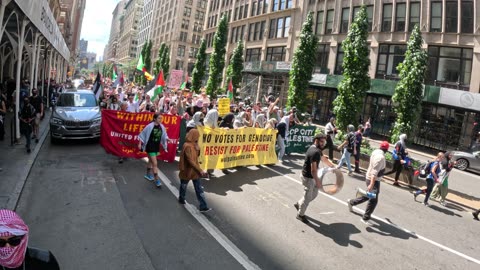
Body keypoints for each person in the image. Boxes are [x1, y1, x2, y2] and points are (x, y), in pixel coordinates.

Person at [293, 133, 335, 224]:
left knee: (314, 193)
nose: (323, 144)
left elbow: (323, 159)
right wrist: (318, 181)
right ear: (316, 140)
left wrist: (332, 166)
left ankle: (299, 203)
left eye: (324, 142)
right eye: (322, 141)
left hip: (311, 177)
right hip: (309, 178)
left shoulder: (317, 150)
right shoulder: (315, 152)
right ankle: (300, 215)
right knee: (308, 197)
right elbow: (313, 170)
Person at [347, 141, 389, 226]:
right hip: (373, 179)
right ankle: (365, 218)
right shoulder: (380, 157)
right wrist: (371, 184)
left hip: (372, 178)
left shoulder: (376, 151)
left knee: (370, 196)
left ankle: (352, 202)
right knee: (373, 200)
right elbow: (374, 172)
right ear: (387, 150)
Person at [178, 129, 211, 212]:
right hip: (187, 170)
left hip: (195, 171)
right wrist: (200, 170)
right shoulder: (187, 146)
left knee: (199, 188)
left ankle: (203, 206)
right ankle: (181, 198)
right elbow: (190, 160)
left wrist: (198, 149)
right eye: (197, 136)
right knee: (184, 185)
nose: (198, 138)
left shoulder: (194, 145)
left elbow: (196, 156)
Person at [138, 113, 168, 188]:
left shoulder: (162, 126)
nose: (160, 120)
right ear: (154, 119)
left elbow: (164, 135)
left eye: (161, 118)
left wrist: (168, 139)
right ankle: (157, 180)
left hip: (156, 146)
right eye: (159, 118)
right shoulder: (149, 126)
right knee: (155, 163)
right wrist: (139, 143)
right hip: (150, 146)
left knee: (150, 161)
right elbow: (142, 134)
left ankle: (147, 174)